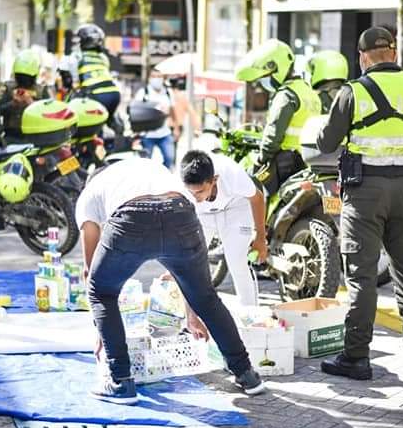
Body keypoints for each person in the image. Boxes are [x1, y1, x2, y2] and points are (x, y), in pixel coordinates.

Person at [77, 157, 266, 404]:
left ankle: (120, 381)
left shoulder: (89, 194)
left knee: (101, 291)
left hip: (132, 217)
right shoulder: (148, 164)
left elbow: (91, 272)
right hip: (181, 213)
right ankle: (246, 374)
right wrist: (192, 313)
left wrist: (103, 330)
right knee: (206, 298)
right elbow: (188, 279)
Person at [311, 27, 403, 380]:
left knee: (362, 276)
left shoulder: (353, 92)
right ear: (393, 53)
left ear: (363, 57)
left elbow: (326, 141)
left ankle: (355, 357)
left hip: (365, 193)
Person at [180, 150, 267, 307]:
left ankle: (250, 314)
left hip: (236, 207)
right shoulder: (179, 185)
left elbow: (257, 198)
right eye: (191, 192)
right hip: (203, 215)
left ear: (214, 180)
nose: (195, 197)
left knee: (237, 261)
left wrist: (260, 237)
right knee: (189, 261)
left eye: (200, 191)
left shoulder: (232, 174)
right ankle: (189, 315)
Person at [234, 39, 312, 195]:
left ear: (276, 68)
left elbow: (274, 132)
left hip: (286, 163)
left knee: (249, 190)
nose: (264, 81)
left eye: (266, 75)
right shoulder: (308, 91)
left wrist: (261, 160)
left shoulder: (286, 95)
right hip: (306, 162)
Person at [73, 24, 120, 118]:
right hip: (115, 93)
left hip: (96, 95)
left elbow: (74, 79)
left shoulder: (78, 56)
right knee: (105, 119)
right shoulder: (103, 57)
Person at [134, 70, 179, 169]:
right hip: (147, 135)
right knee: (145, 163)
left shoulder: (168, 92)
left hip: (164, 133)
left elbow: (173, 111)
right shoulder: (143, 93)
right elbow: (135, 112)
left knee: (169, 158)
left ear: (163, 78)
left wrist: (176, 128)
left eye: (159, 76)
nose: (157, 79)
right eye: (154, 76)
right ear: (150, 78)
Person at [0, 49, 41, 139]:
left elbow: (47, 116)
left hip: (33, 137)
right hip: (10, 136)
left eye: (26, 77)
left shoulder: (41, 91)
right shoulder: (8, 88)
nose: (23, 81)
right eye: (20, 77)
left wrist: (30, 103)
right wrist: (13, 104)